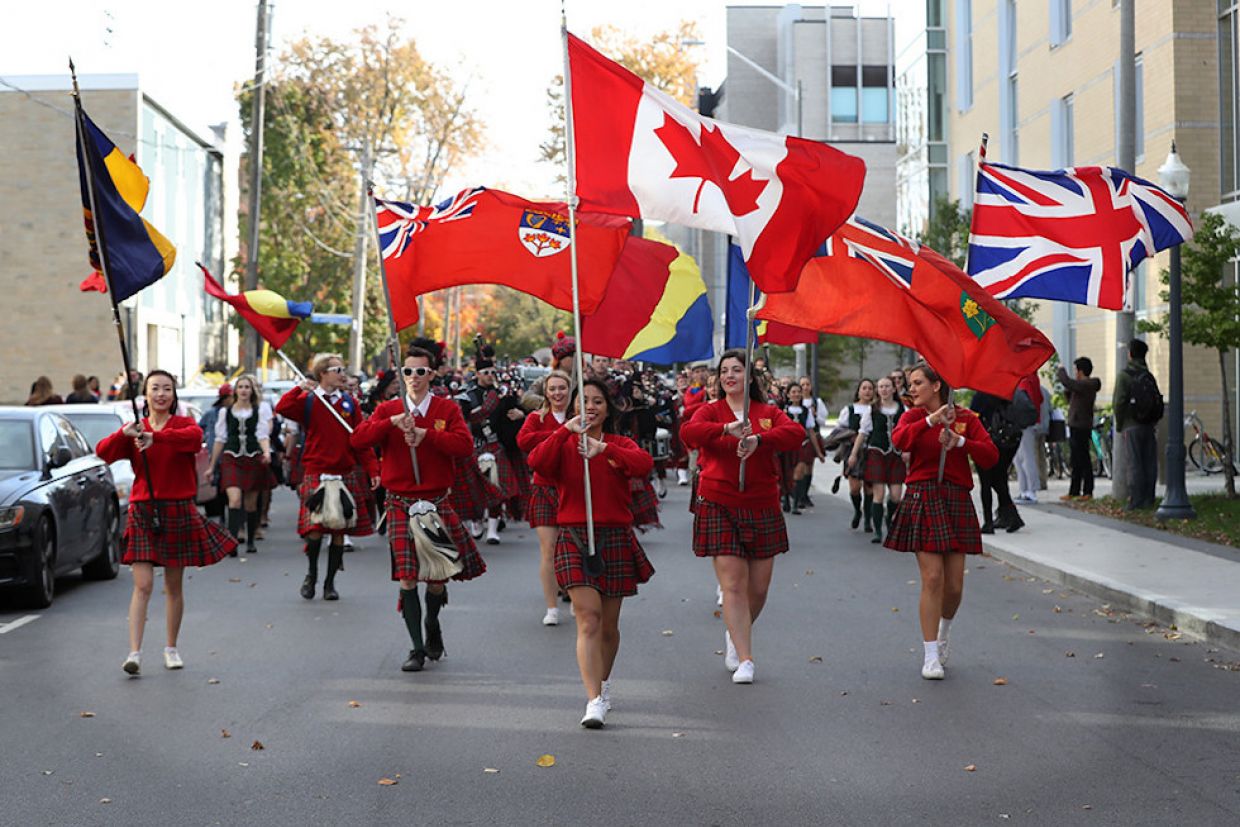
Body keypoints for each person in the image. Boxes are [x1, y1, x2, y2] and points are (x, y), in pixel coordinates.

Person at [527, 378, 655, 728]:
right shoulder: (564, 442)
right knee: (589, 618)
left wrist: (605, 451)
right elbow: (537, 461)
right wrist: (563, 432)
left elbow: (643, 464)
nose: (591, 407)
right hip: (573, 534)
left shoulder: (619, 443)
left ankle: (604, 684)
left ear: (608, 408)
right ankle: (593, 699)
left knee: (609, 627)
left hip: (614, 536)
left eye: (598, 401)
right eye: (583, 401)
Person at [351, 345, 487, 673]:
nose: (413, 378)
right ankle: (416, 649)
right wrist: (391, 424)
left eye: (420, 371)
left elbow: (464, 445)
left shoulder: (446, 409)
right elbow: (358, 440)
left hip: (436, 501)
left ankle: (433, 623)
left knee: (436, 580)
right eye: (408, 371)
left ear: (432, 374)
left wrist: (427, 434)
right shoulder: (387, 409)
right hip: (399, 501)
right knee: (408, 577)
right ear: (400, 374)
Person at [96, 370, 236, 675]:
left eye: (167, 389)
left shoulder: (184, 425)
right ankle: (134, 652)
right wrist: (124, 434)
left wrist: (154, 437)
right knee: (142, 585)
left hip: (177, 508)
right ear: (145, 395)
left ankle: (171, 648)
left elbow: (193, 439)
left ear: (174, 395)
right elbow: (103, 453)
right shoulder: (135, 428)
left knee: (173, 585)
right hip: (143, 509)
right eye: (155, 389)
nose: (160, 394)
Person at [681, 350, 804, 685]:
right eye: (724, 371)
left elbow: (795, 434)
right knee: (733, 584)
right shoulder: (710, 411)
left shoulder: (767, 412)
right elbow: (689, 435)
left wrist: (758, 439)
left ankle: (736, 633)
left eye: (737, 370)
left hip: (762, 503)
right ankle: (746, 657)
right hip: (719, 501)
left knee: (759, 589)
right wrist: (725, 430)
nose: (729, 375)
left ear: (750, 377)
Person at [884, 362, 998, 680]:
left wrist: (962, 443)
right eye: (910, 383)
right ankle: (930, 653)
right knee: (932, 579)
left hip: (956, 498)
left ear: (937, 386)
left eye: (918, 382)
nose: (912, 388)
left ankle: (944, 630)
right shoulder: (911, 416)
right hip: (922, 497)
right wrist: (930, 421)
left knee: (954, 586)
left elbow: (990, 456)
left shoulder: (966, 419)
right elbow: (900, 441)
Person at [276, 354, 378, 601]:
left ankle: (330, 583)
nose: (343, 374)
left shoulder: (350, 403)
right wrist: (299, 388)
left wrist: (373, 470)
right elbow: (282, 408)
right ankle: (311, 574)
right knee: (314, 530)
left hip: (344, 473)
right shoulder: (309, 401)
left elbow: (361, 440)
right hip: (316, 473)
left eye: (343, 369)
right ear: (323, 374)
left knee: (338, 532)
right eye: (337, 370)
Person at [517, 370, 572, 626]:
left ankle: (573, 592)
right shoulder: (536, 417)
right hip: (543, 487)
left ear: (569, 390)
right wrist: (558, 435)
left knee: (572, 548)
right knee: (548, 549)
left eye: (562, 388)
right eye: (553, 389)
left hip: (574, 489)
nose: (558, 393)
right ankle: (552, 607)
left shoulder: (579, 416)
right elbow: (524, 441)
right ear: (546, 393)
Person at [206, 375, 271, 555]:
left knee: (250, 504)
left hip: (252, 458)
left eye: (247, 387)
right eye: (240, 387)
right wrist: (212, 466)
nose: (243, 390)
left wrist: (266, 452)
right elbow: (220, 439)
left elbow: (262, 436)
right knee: (234, 500)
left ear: (252, 391)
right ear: (235, 391)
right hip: (231, 458)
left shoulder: (259, 411)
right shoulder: (224, 413)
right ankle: (232, 542)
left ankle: (250, 540)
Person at [847, 376, 906, 545]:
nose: (884, 390)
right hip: (877, 453)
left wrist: (907, 450)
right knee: (878, 493)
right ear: (878, 390)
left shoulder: (903, 409)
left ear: (893, 389)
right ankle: (878, 530)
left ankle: (889, 517)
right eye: (881, 387)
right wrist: (853, 454)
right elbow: (862, 432)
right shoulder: (871, 410)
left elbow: (909, 431)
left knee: (896, 495)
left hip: (896, 454)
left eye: (887, 386)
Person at [1113, 339, 1161, 510]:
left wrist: (1120, 424)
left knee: (1134, 463)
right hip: (1149, 424)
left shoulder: (1124, 375)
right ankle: (1149, 498)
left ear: (1130, 354)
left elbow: (1118, 403)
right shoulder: (1148, 375)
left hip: (1131, 425)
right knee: (1149, 462)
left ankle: (1136, 500)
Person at [969, 391, 1024, 533]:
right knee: (1000, 480)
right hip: (1007, 442)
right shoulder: (1005, 393)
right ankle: (1011, 516)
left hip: (986, 441)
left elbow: (972, 418)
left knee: (986, 482)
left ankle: (988, 522)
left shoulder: (980, 397)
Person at [1057, 357, 1101, 501]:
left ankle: (1087, 490)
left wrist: (1061, 369)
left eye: (1076, 370)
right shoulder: (1081, 386)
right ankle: (1074, 490)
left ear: (1081, 371)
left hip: (1081, 425)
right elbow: (1069, 394)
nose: (1075, 373)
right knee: (1076, 459)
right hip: (1076, 424)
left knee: (1083, 458)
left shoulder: (1087, 384)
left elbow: (1067, 382)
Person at [780, 382, 825, 514]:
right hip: (786, 445)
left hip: (801, 445)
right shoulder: (783, 410)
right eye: (793, 392)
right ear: (788, 394)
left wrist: (818, 452)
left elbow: (810, 431)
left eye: (798, 392)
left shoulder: (806, 411)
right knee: (786, 473)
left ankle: (796, 503)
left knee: (799, 472)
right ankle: (787, 499)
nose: (796, 394)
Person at [839, 379, 876, 531]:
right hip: (853, 450)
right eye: (864, 388)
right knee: (855, 487)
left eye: (870, 388)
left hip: (871, 450)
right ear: (859, 391)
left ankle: (868, 518)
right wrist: (850, 436)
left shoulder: (877, 409)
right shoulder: (849, 409)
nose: (867, 391)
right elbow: (839, 430)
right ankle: (857, 511)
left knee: (869, 487)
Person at [1013, 372, 1044, 504]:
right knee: (1021, 458)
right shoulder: (1031, 377)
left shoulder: (1024, 378)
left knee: (1025, 457)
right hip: (1026, 423)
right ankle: (1026, 490)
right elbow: (1040, 399)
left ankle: (1030, 490)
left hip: (1023, 423)